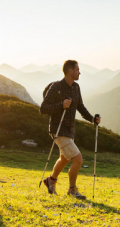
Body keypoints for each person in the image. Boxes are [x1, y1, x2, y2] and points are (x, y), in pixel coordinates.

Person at [40, 60, 101, 199]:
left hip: (69, 130)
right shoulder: (56, 87)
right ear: (70, 71)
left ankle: (51, 180)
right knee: (77, 159)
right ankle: (72, 189)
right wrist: (61, 105)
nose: (79, 72)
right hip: (58, 129)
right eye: (77, 69)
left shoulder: (76, 87)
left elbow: (80, 107)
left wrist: (92, 119)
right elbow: (43, 108)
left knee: (64, 158)